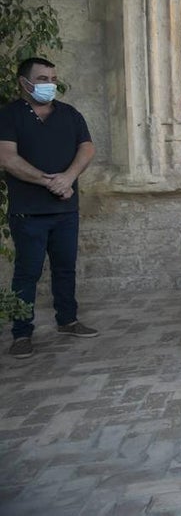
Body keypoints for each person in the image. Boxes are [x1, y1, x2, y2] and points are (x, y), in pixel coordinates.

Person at [1, 57, 99, 359]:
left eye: (53, 78)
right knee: (27, 273)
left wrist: (68, 177)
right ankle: (21, 334)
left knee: (65, 268)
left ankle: (67, 320)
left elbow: (87, 148)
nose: (49, 85)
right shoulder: (9, 116)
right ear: (24, 83)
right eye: (43, 79)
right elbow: (7, 158)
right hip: (28, 211)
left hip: (65, 210)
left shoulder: (69, 114)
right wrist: (48, 182)